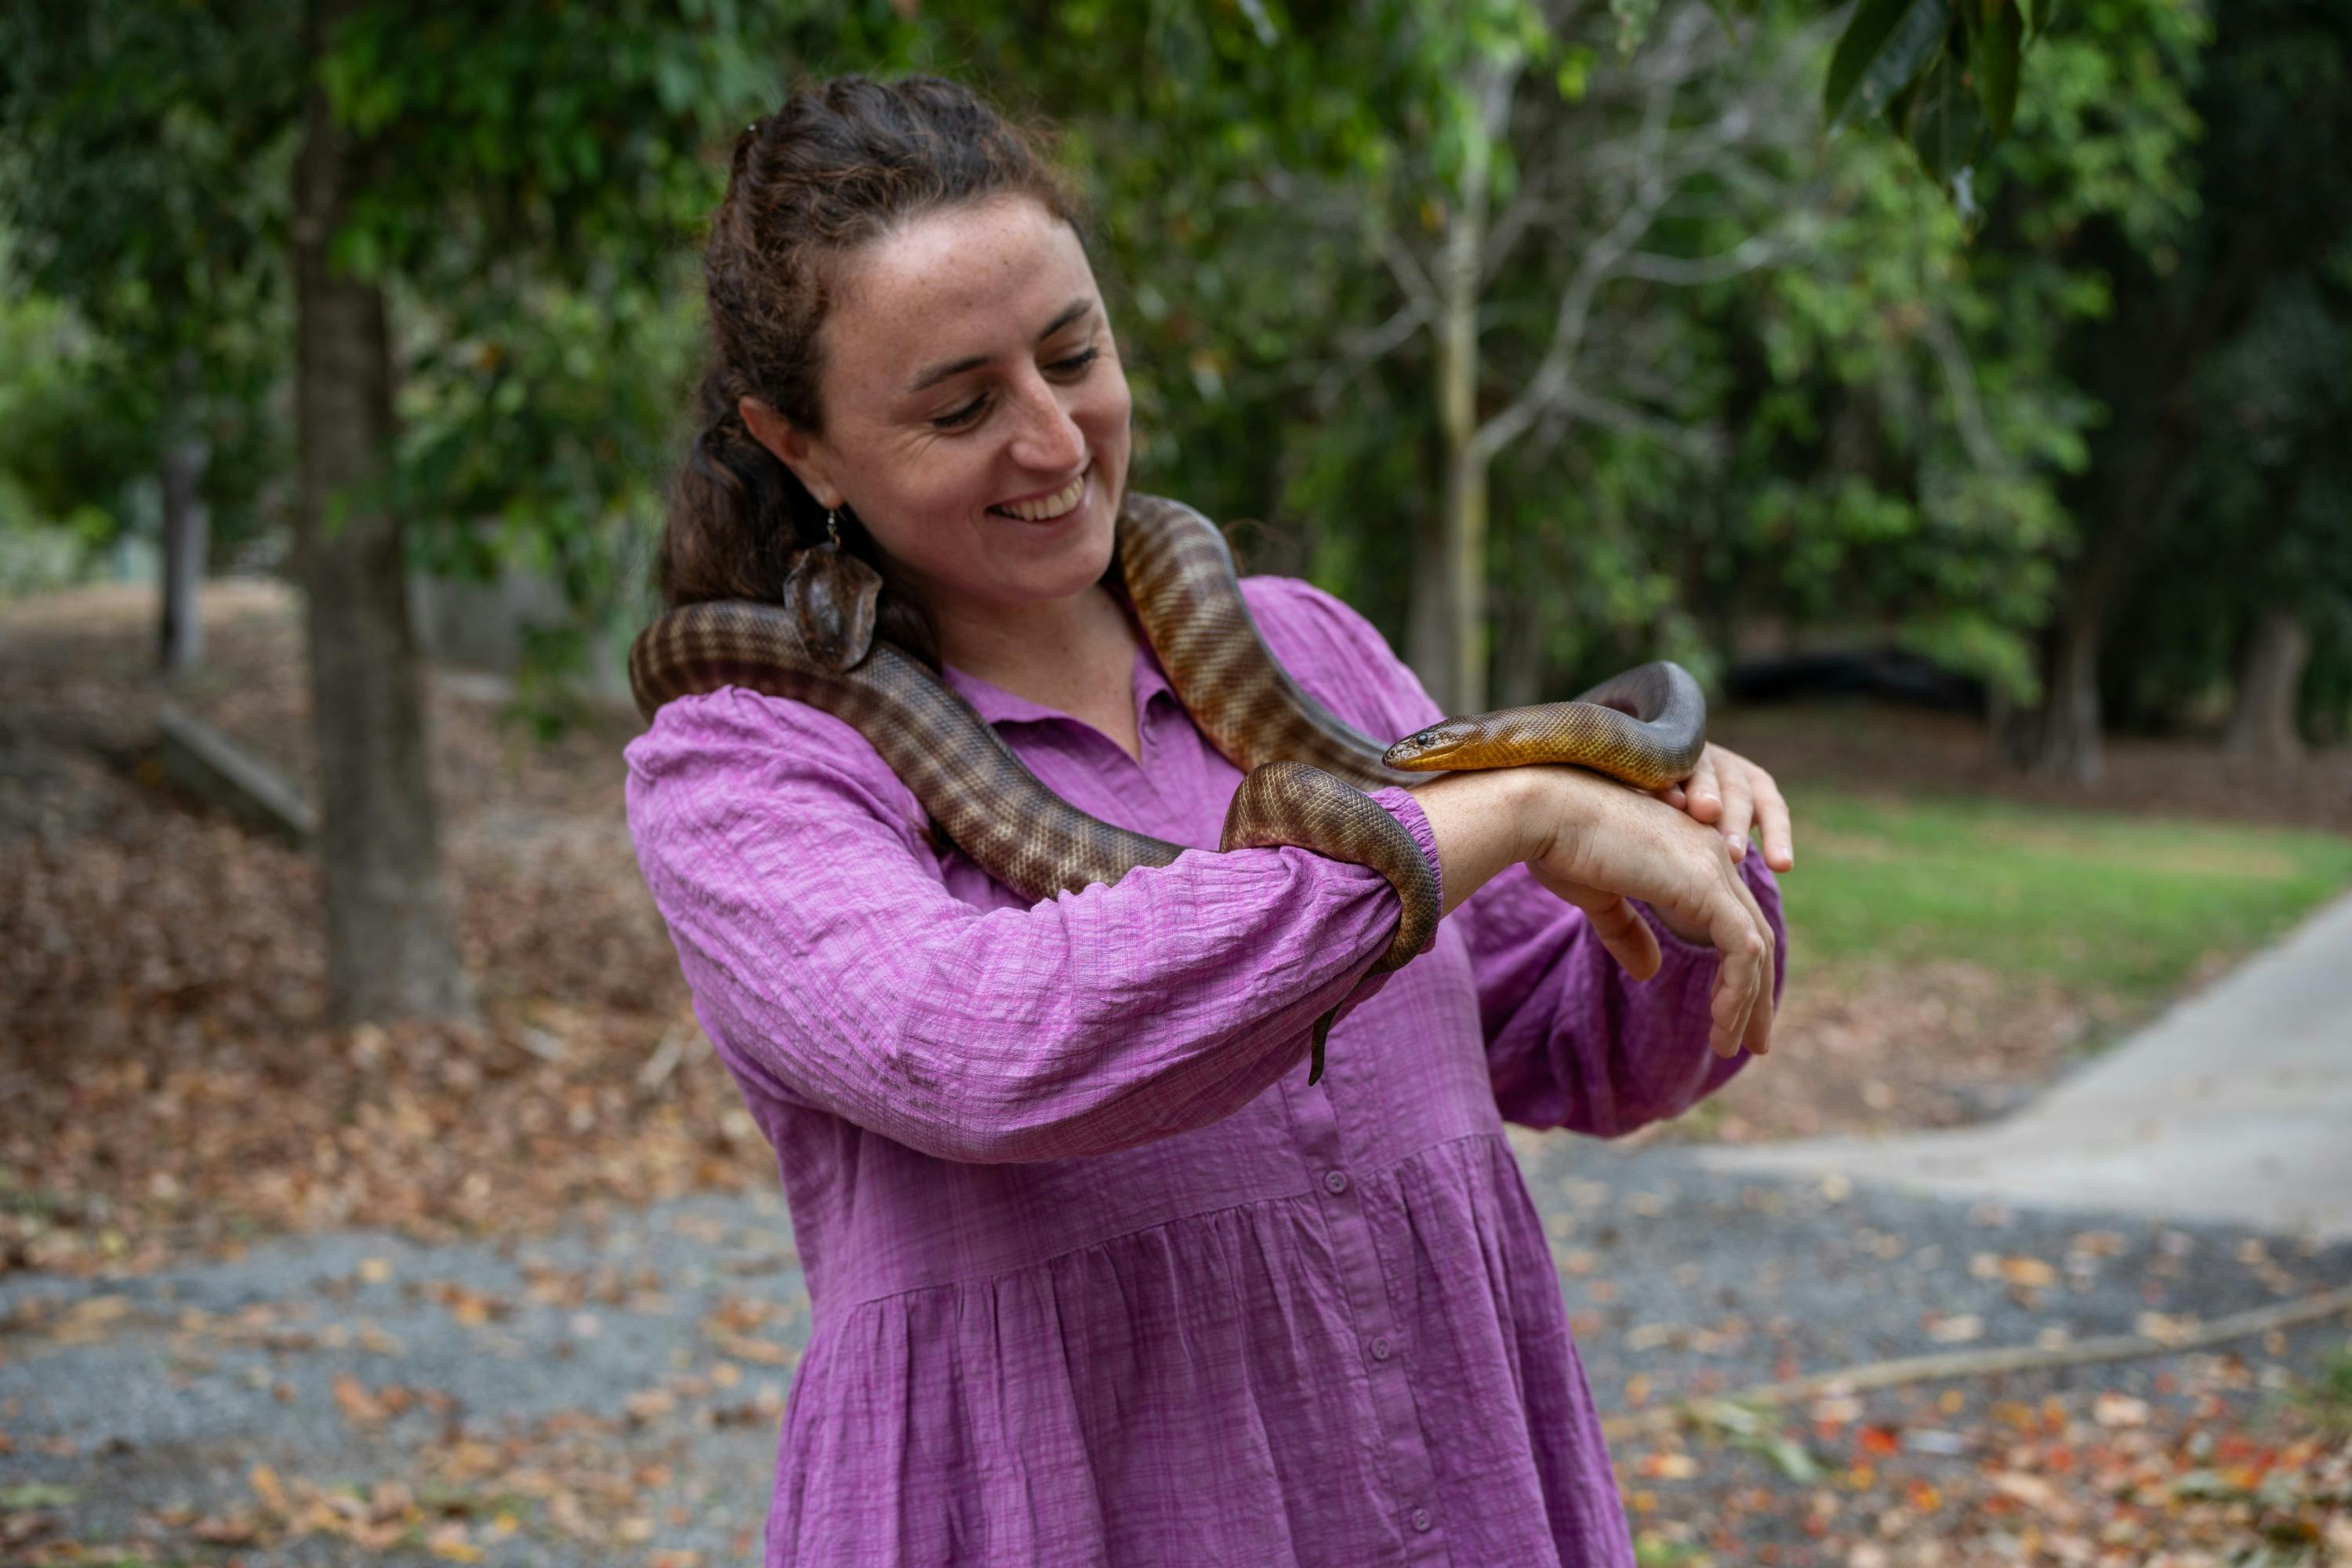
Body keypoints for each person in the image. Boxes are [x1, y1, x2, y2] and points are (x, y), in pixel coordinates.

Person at [625, 72, 1794, 1568]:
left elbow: (1575, 1046)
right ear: (799, 445)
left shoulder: (1302, 653)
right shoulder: (749, 763)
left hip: (1453, 1484)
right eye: (961, 405)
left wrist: (1696, 863)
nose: (1053, 443)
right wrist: (1496, 820)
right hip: (1050, 1508)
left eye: (1075, 354)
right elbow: (985, 1050)